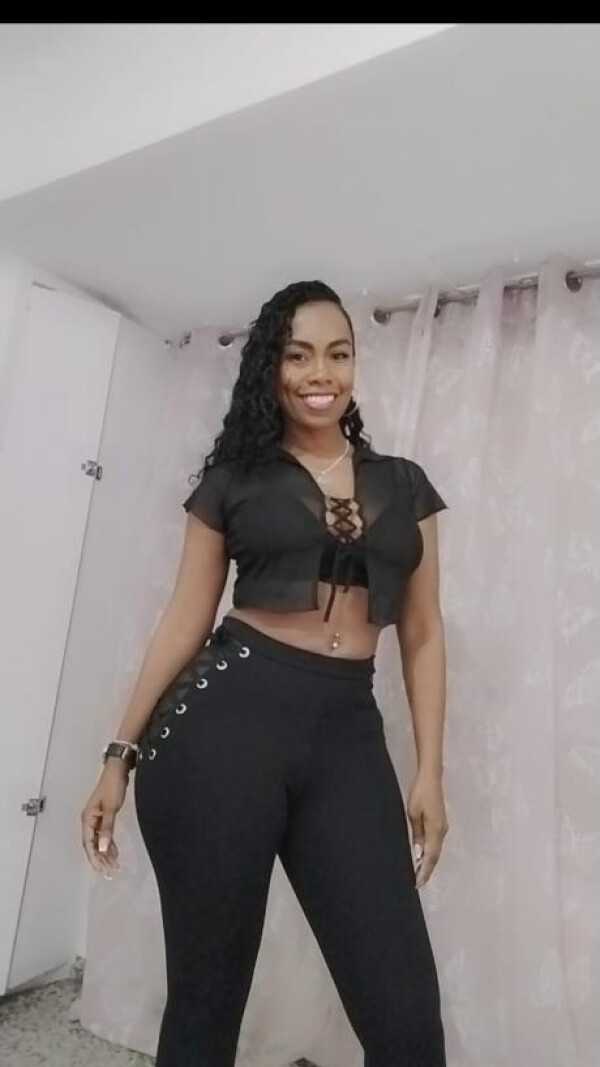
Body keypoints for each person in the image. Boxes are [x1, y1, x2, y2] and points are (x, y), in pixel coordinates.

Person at [81, 280, 450, 1066]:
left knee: (407, 1021)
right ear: (270, 368)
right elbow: (185, 617)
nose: (321, 373)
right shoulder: (234, 478)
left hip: (347, 738)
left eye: (338, 354)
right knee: (207, 1007)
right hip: (222, 733)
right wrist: (119, 752)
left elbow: (422, 631)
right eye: (299, 355)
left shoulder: (404, 484)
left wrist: (429, 772)